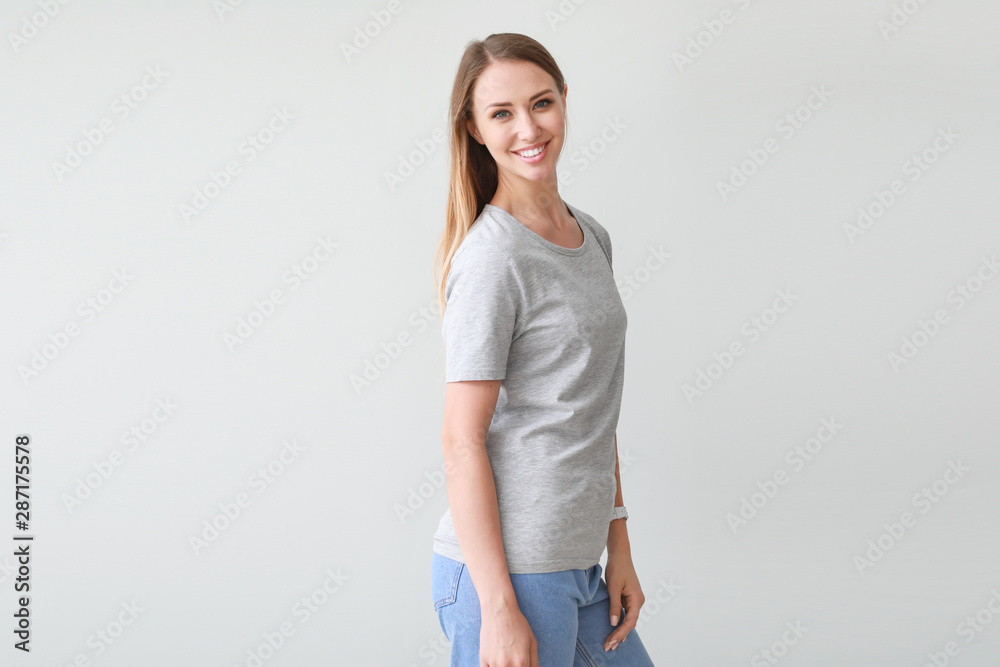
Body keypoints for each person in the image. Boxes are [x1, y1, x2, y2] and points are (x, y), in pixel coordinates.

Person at [430, 32, 656, 666]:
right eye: (501, 113)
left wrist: (620, 549)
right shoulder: (492, 259)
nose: (528, 127)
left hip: (580, 566)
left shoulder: (593, 238)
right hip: (511, 574)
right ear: (474, 129)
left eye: (542, 103)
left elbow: (592, 408)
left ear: (564, 103)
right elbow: (461, 440)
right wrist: (499, 607)